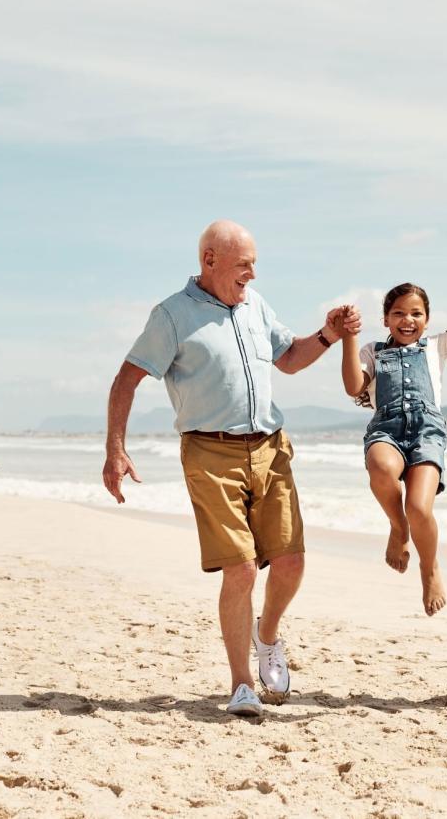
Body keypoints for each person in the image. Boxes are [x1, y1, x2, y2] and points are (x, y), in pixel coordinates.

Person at [102, 219, 359, 718]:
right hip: (210, 453)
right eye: (245, 264)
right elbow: (126, 379)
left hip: (270, 448)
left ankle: (267, 637)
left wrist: (328, 334)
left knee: (291, 562)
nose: (253, 275)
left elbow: (289, 359)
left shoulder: (255, 306)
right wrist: (116, 448)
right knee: (240, 568)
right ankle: (242, 684)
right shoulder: (172, 315)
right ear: (210, 260)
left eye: (255, 264)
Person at [339, 262, 447, 616]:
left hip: (427, 432)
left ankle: (430, 568)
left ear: (427, 318)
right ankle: (398, 527)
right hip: (387, 429)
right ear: (385, 319)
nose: (407, 320)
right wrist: (348, 336)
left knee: (421, 507)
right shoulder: (372, 352)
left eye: (416, 313)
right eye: (398, 314)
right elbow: (353, 386)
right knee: (380, 466)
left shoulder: (437, 347)